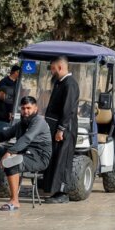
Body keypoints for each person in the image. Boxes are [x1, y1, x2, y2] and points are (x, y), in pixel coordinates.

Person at [0, 95, 51, 211]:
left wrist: (10, 152)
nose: (25, 111)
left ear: (35, 109)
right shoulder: (21, 124)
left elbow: (27, 138)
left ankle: (14, 201)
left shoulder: (39, 121)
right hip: (23, 153)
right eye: (23, 108)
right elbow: (2, 135)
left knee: (11, 163)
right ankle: (11, 161)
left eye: (28, 108)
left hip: (39, 157)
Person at [40, 57, 80, 204]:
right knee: (55, 159)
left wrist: (61, 129)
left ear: (60, 68)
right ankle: (53, 189)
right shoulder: (60, 83)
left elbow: (68, 109)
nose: (51, 71)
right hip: (54, 127)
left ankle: (62, 193)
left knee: (63, 160)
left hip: (65, 129)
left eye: (53, 68)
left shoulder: (70, 84)